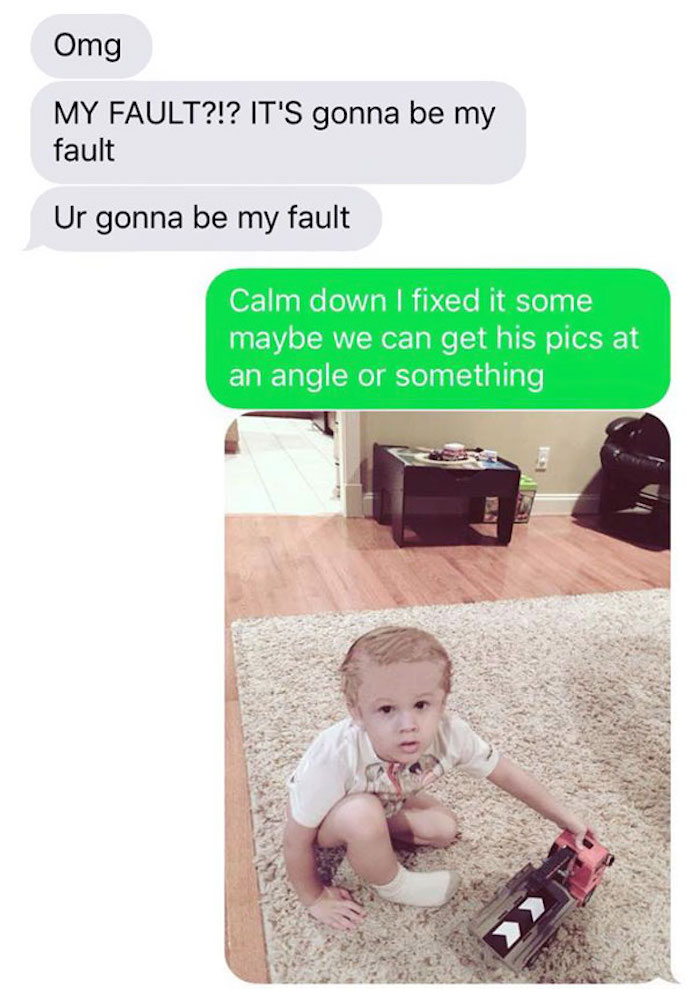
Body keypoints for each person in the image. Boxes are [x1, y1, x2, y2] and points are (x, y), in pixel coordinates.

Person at [283, 625, 592, 932]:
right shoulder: (335, 757)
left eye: (421, 705)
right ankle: (393, 884)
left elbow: (506, 774)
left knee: (444, 829)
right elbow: (295, 839)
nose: (408, 724)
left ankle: (372, 837)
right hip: (329, 821)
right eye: (387, 709)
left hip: (387, 796)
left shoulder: (451, 734)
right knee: (361, 815)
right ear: (357, 712)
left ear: (443, 703)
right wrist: (314, 898)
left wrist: (565, 819)